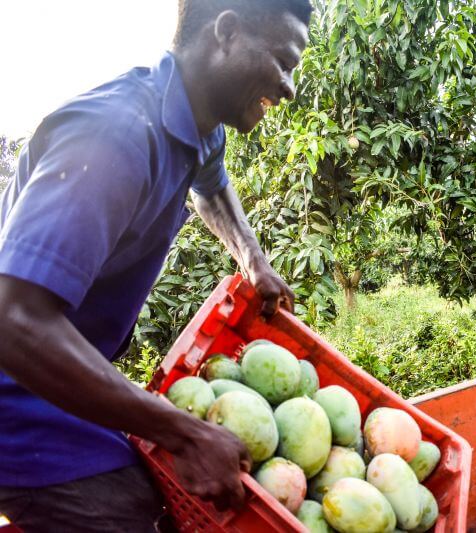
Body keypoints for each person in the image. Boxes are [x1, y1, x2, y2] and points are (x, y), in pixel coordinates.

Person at [0, 0, 312, 530]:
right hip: (15, 391)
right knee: (131, 509)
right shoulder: (117, 136)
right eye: (282, 62)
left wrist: (252, 259)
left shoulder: (197, 123)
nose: (287, 88)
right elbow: (14, 321)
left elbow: (211, 187)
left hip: (53, 379)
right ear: (227, 33)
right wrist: (185, 432)